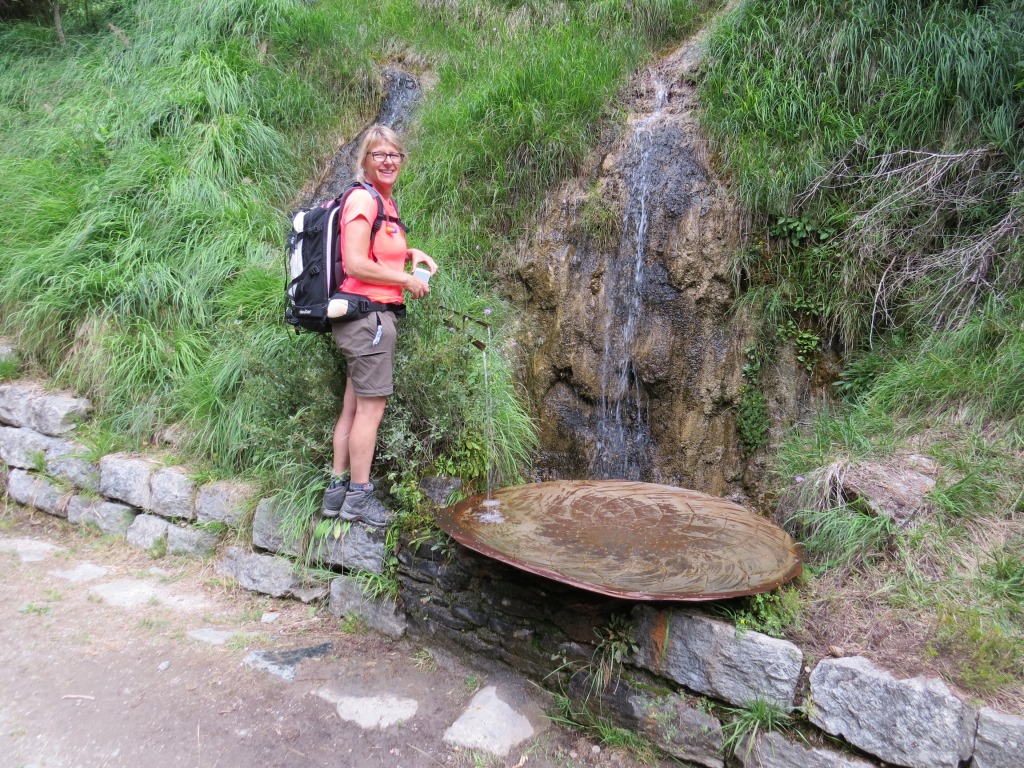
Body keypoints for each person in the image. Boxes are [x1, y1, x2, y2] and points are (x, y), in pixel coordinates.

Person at [321, 125, 436, 526]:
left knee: (352, 409)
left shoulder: (386, 204)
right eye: (379, 154)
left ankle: (336, 493)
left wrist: (410, 253)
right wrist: (406, 279)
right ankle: (359, 497)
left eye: (395, 155)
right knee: (371, 410)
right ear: (365, 161)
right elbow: (355, 263)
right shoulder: (362, 199)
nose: (388, 161)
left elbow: (379, 253)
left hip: (368, 318)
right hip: (367, 318)